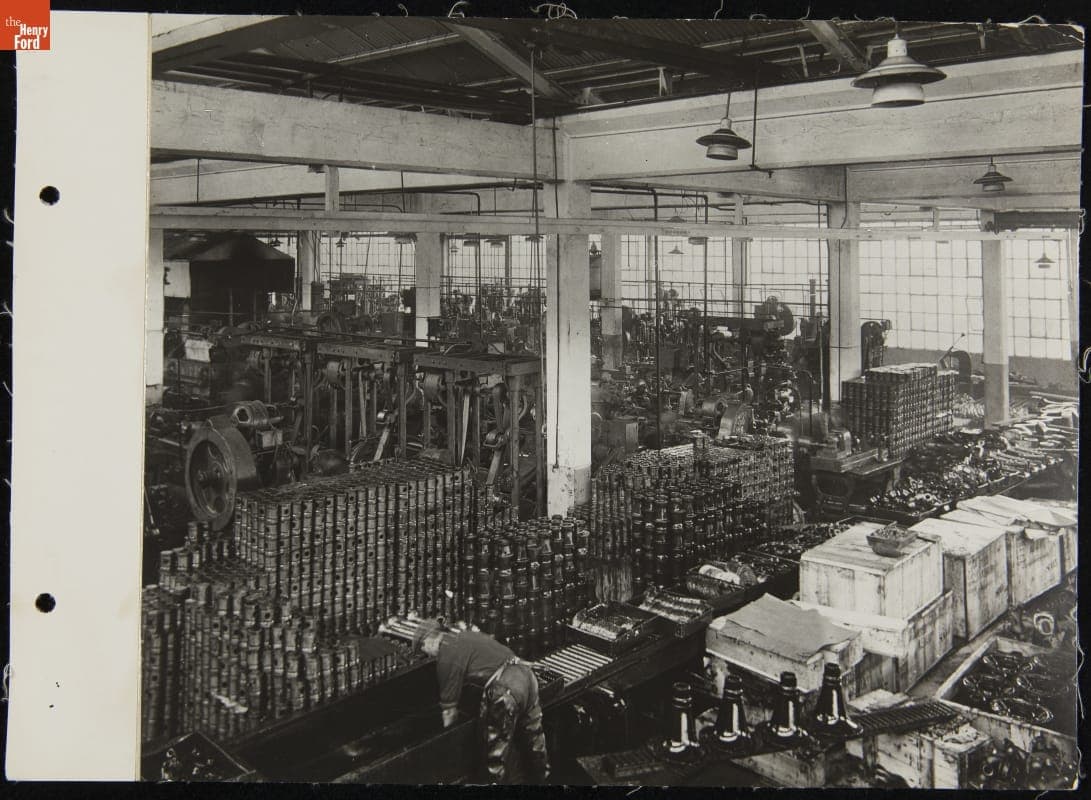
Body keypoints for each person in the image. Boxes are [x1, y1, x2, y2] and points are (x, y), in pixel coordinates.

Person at [413, 619, 549, 784]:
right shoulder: (465, 636)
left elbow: (449, 711)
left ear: (429, 640)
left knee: (495, 758)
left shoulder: (446, 655)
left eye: (424, 649)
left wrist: (449, 747)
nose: (427, 654)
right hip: (526, 676)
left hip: (506, 689)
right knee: (535, 741)